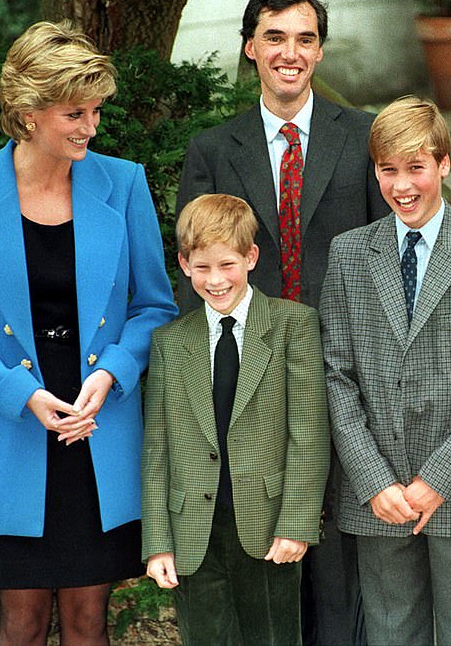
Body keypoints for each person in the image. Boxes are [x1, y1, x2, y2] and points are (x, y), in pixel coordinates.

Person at [0, 20, 177, 644]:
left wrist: (112, 372)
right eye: (75, 113)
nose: (91, 126)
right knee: (22, 623)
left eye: (95, 110)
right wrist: (18, 393)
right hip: (14, 430)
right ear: (28, 112)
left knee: (90, 623)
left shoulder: (126, 183)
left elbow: (155, 307)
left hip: (100, 429)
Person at [175, 0, 388, 644]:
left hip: (345, 374)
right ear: (250, 49)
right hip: (252, 382)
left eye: (305, 38)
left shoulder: (362, 136)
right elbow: (192, 272)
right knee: (266, 554)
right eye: (274, 37)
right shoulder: (215, 149)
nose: (289, 52)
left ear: (320, 50)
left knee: (340, 566)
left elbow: (385, 257)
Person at [319, 96, 451, 646]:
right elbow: (336, 377)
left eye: (416, 167)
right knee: (392, 635)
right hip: (380, 497)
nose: (402, 185)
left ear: (443, 164)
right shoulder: (350, 255)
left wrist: (436, 481)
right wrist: (373, 480)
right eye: (388, 170)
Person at [142, 193, 330, 645]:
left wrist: (297, 523)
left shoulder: (293, 325)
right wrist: (157, 542)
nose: (215, 279)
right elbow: (156, 450)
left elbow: (307, 432)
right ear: (184, 265)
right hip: (193, 534)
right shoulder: (171, 342)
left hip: (268, 527)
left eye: (227, 265)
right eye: (202, 267)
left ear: (250, 257)